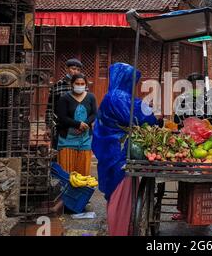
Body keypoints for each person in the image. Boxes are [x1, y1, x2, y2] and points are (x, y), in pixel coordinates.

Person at [92, 63, 161, 236]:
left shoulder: (113, 96)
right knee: (121, 194)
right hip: (118, 153)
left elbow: (136, 107)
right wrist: (153, 115)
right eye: (133, 81)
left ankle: (124, 228)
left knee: (119, 193)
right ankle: (120, 231)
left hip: (110, 150)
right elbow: (140, 116)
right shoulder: (117, 96)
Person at [56, 73, 97, 176]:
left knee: (83, 174)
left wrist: (85, 124)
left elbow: (94, 114)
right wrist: (78, 124)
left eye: (82, 83)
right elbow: (62, 117)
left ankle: (81, 192)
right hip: (67, 140)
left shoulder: (91, 97)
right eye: (77, 83)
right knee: (66, 173)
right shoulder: (64, 98)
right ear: (72, 84)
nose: (80, 85)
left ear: (86, 84)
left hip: (85, 138)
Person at [46, 58, 83, 149]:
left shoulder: (83, 86)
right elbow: (50, 107)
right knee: (59, 152)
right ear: (66, 68)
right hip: (60, 125)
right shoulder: (58, 85)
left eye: (78, 70)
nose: (76, 72)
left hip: (77, 126)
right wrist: (48, 125)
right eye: (73, 68)